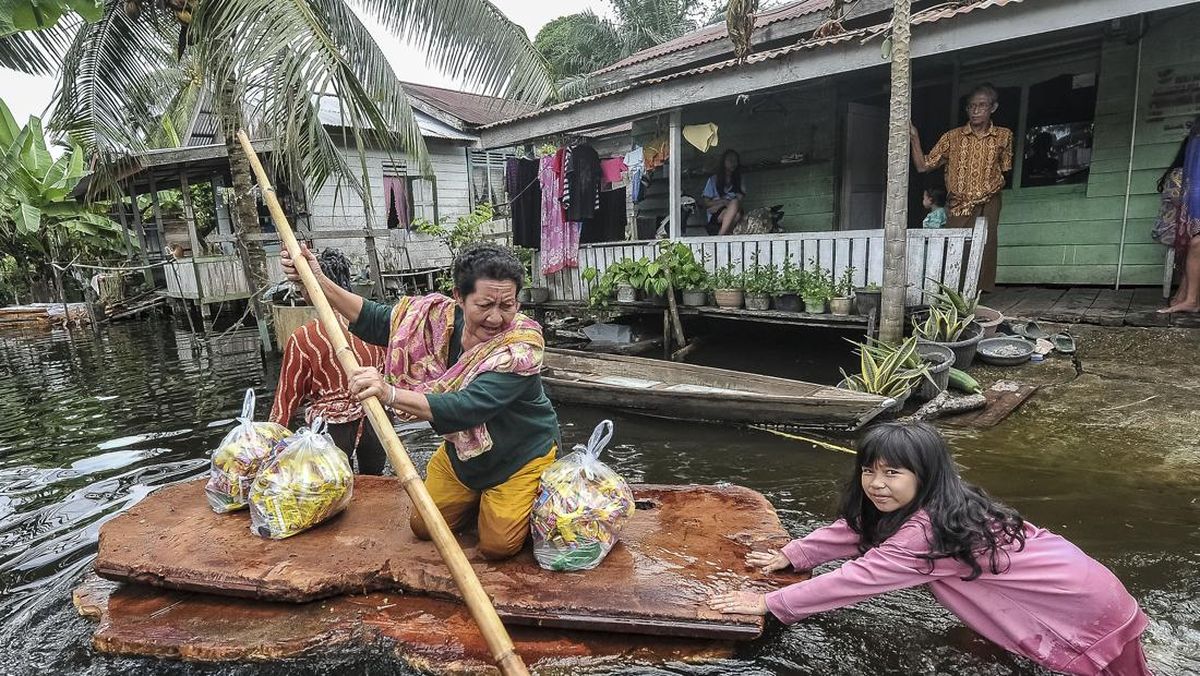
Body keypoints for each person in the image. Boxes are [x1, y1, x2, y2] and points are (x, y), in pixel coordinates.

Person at [708, 423, 1150, 676]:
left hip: (1082, 613)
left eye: (892, 473)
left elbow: (858, 579)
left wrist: (768, 600)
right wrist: (797, 554)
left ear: (925, 475)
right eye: (868, 470)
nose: (876, 484)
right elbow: (858, 527)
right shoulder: (947, 500)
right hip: (1089, 590)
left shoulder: (928, 532)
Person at [281, 241, 560, 560]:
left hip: (518, 458)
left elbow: (467, 407)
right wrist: (316, 280)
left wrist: (389, 393)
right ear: (459, 297)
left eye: (507, 305)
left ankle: (523, 492)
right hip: (464, 456)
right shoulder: (436, 322)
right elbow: (377, 319)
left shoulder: (519, 349)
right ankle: (477, 497)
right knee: (422, 526)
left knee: (497, 546)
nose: (496, 318)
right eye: (484, 305)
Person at [269, 248, 388, 474]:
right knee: (376, 482)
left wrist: (267, 450)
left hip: (333, 429)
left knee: (335, 489)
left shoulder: (304, 338)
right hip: (377, 419)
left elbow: (284, 405)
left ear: (308, 288)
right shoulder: (373, 327)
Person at [910, 84, 1014, 292]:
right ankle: (952, 291)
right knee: (955, 246)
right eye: (971, 106)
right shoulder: (952, 137)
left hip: (990, 200)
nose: (975, 111)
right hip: (959, 202)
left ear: (993, 108)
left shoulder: (1004, 136)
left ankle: (978, 293)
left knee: (986, 244)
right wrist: (914, 138)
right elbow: (923, 166)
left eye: (981, 105)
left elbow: (1005, 169)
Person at [1152, 116, 1200, 313]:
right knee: (1196, 242)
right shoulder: (1180, 175)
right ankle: (1189, 298)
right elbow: (1183, 206)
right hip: (1175, 228)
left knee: (1196, 241)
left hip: (1186, 227)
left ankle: (1187, 296)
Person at [703, 149, 746, 235]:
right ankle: (722, 235)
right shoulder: (713, 180)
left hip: (733, 212)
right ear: (723, 162)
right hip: (716, 215)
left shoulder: (739, 180)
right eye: (730, 160)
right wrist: (723, 202)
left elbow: (739, 202)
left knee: (736, 210)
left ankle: (722, 235)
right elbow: (706, 203)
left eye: (735, 161)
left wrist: (726, 203)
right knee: (734, 206)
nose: (733, 163)